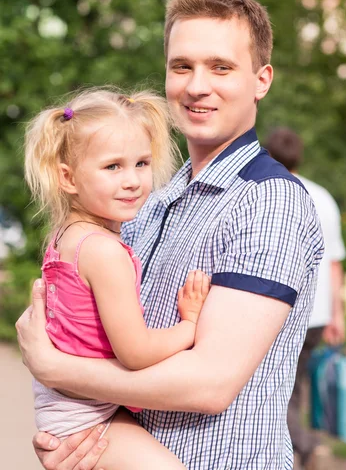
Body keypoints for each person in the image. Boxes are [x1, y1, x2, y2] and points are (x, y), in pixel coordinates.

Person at [16, 0, 324, 470]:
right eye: (182, 66)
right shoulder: (149, 203)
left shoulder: (269, 201)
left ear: (261, 80)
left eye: (220, 67)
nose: (197, 85)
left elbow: (208, 385)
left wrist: (60, 371)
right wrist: (76, 442)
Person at [24, 87, 210, 469]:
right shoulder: (103, 251)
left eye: (141, 163)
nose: (132, 180)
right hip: (84, 417)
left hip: (70, 407)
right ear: (68, 178)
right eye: (113, 167)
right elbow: (135, 351)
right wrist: (189, 326)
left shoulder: (66, 235)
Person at [265, 127, 346, 470]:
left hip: (283, 312)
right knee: (297, 386)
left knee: (278, 389)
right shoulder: (324, 197)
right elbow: (334, 263)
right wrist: (337, 314)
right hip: (318, 314)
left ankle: (302, 447)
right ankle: (304, 446)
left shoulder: (270, 194)